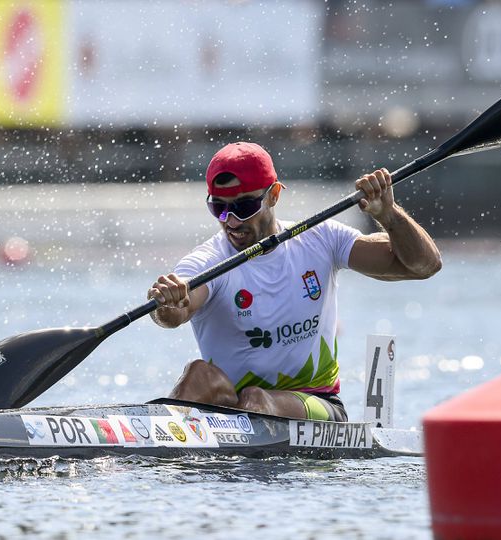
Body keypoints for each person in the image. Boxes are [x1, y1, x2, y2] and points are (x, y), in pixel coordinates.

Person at [148, 142, 441, 421]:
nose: (232, 221)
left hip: (319, 404)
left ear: (274, 194)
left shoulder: (322, 239)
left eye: (244, 206)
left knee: (256, 399)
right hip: (236, 408)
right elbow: (175, 314)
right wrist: (168, 301)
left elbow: (424, 265)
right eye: (219, 208)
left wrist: (388, 215)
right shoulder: (208, 260)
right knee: (197, 375)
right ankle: (156, 448)